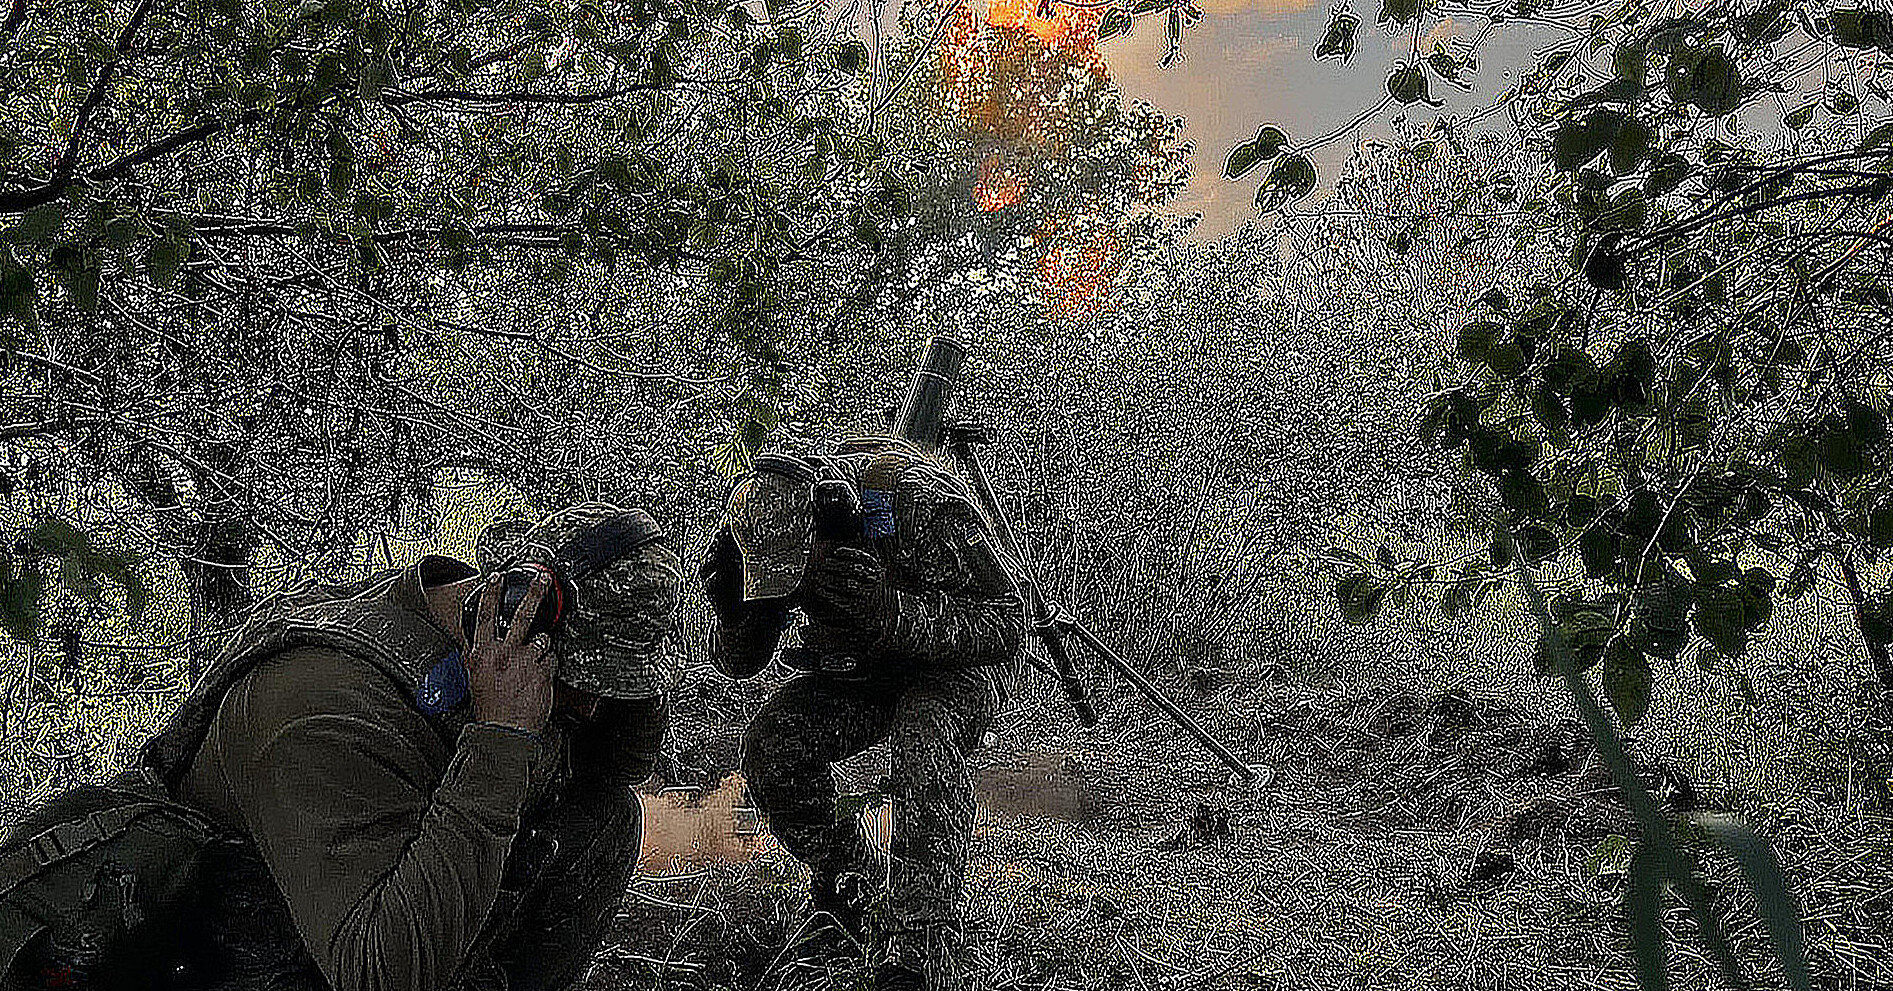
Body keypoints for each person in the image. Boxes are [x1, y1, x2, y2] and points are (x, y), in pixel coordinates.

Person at [8, 502, 682, 991]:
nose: (593, 707)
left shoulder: (469, 621)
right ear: (509, 610)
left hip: (350, 882)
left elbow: (620, 765)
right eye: (583, 680)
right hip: (230, 940)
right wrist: (500, 741)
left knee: (603, 818)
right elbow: (383, 975)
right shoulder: (325, 712)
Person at [699, 436, 1025, 991]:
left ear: (834, 528)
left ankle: (924, 945)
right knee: (772, 743)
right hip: (861, 671)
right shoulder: (761, 532)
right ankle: (852, 891)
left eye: (804, 571)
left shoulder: (923, 509)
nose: (795, 588)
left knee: (920, 735)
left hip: (952, 668)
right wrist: (731, 607)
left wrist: (891, 611)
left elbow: (1004, 626)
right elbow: (741, 664)